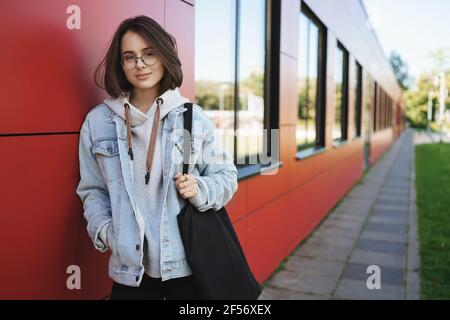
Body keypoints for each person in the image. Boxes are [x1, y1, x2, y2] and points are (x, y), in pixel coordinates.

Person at [76, 15, 238, 300]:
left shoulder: (192, 118)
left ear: (164, 57)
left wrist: (199, 188)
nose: (140, 64)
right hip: (130, 271)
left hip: (186, 267)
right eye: (130, 57)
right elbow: (92, 189)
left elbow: (226, 177)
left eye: (149, 54)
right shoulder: (98, 122)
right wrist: (107, 233)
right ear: (121, 64)